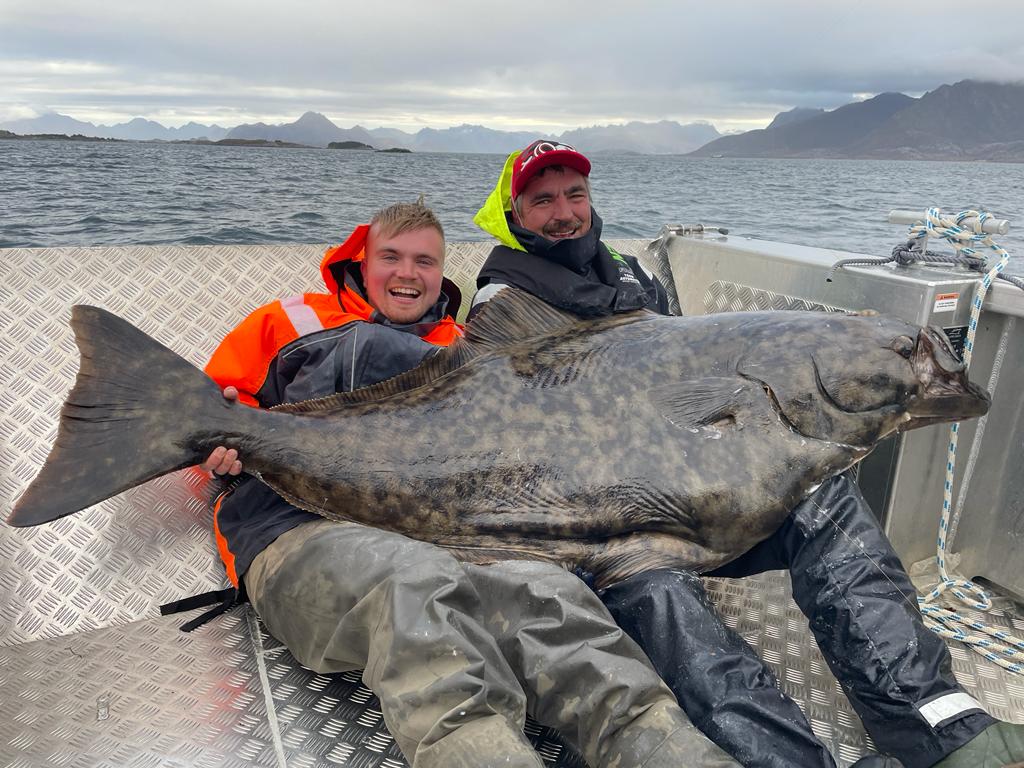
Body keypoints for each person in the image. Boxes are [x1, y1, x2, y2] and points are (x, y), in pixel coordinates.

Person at [469, 139, 1024, 768]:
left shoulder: (630, 274)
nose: (564, 212)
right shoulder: (504, 299)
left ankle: (940, 727)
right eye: (542, 200)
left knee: (826, 503)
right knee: (661, 598)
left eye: (575, 194)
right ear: (514, 215)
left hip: (700, 491)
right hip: (606, 525)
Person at [197, 201, 739, 768]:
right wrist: (218, 447)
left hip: (462, 536)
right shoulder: (290, 324)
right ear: (363, 260)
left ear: (442, 272)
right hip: (302, 529)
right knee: (413, 586)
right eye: (391, 257)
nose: (407, 273)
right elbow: (209, 413)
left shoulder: (473, 350)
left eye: (425, 261)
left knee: (554, 596)